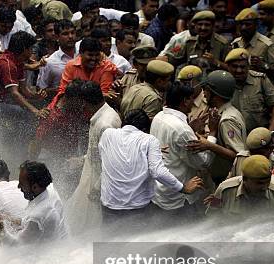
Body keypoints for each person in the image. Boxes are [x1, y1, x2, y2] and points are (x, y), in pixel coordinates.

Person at [100, 109, 203, 227]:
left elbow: (111, 157)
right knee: (138, 244)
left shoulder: (107, 134)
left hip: (109, 207)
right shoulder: (149, 140)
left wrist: (149, 153)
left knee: (109, 242)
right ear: (144, 130)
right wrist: (183, 188)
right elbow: (158, 172)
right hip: (137, 210)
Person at [150, 82, 214, 217]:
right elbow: (202, 163)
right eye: (191, 98)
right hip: (179, 198)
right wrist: (212, 136)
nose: (193, 102)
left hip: (160, 191)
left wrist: (191, 129)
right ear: (184, 101)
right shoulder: (182, 130)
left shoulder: (159, 117)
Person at [66, 81, 121, 233]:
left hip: (98, 182)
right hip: (90, 176)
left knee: (94, 222)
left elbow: (112, 162)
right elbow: (97, 150)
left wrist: (97, 189)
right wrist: (82, 159)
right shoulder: (100, 116)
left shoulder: (105, 124)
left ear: (84, 102)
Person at [187, 70, 246, 184]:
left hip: (228, 179)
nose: (203, 94)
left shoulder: (227, 119)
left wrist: (210, 146)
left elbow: (238, 155)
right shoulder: (224, 112)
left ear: (215, 94)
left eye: (206, 91)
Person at [225, 48, 274, 132]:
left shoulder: (260, 80)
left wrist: (271, 131)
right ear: (227, 66)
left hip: (259, 136)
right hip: (232, 135)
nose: (239, 70)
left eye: (243, 67)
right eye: (235, 66)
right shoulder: (222, 82)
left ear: (249, 66)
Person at [53, 37, 118, 105]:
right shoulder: (71, 66)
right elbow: (63, 91)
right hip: (73, 106)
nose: (94, 58)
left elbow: (104, 96)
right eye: (90, 55)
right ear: (81, 53)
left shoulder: (107, 67)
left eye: (97, 55)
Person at [231, 8, 274, 81]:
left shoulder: (267, 44)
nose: (243, 28)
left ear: (256, 25)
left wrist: (264, 65)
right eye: (241, 24)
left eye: (248, 24)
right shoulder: (235, 43)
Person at [163, 11, 229, 70]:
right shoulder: (189, 42)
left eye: (207, 25)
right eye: (200, 24)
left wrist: (216, 62)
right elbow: (175, 60)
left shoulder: (222, 44)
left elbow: (231, 68)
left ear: (213, 26)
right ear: (195, 26)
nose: (203, 28)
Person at [37, 19, 77, 96]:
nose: (70, 36)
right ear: (57, 37)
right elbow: (41, 89)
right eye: (65, 34)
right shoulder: (49, 62)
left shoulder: (83, 53)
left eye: (72, 32)